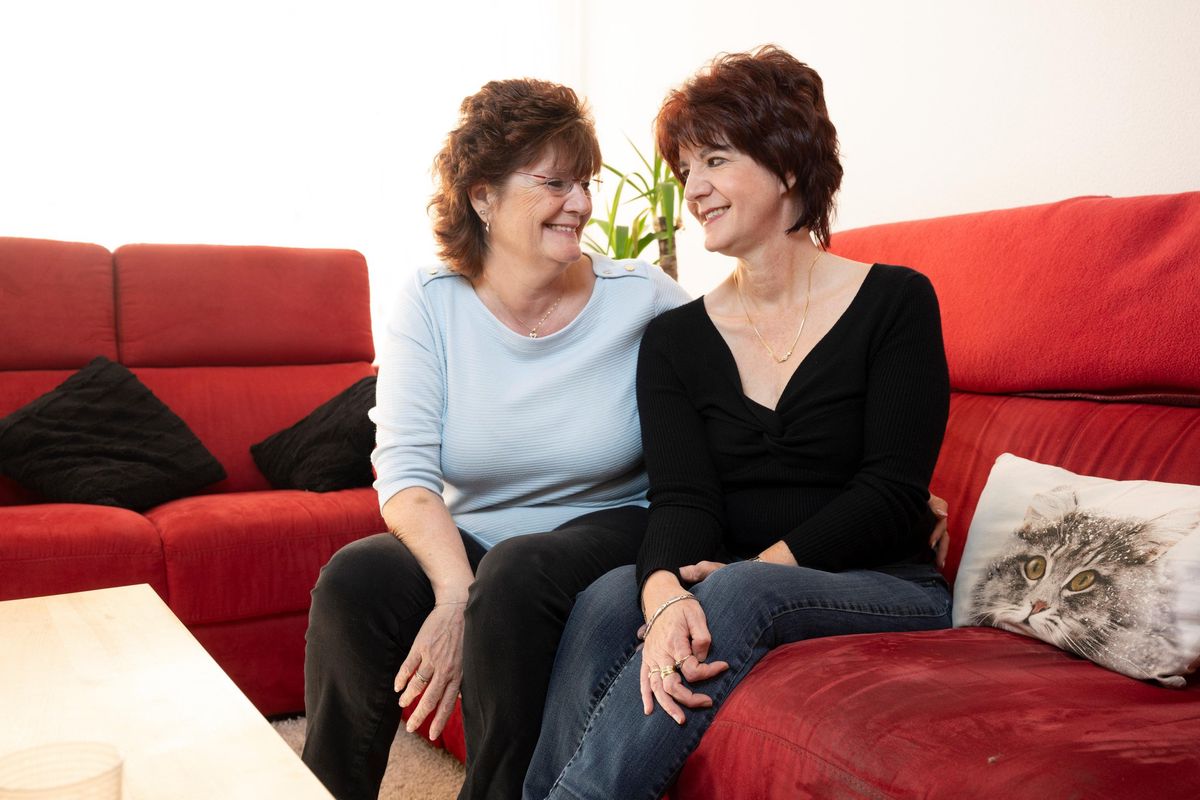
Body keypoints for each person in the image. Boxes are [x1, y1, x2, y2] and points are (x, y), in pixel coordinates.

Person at [524, 45, 954, 800]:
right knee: (606, 601)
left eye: (715, 160)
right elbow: (684, 498)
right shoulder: (676, 338)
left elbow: (893, 490)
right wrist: (661, 594)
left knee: (738, 592)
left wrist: (754, 570)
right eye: (686, 169)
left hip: (885, 583)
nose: (693, 189)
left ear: (788, 166)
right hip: (729, 575)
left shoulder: (897, 302)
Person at [300, 78, 691, 800]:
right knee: (356, 580)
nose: (579, 203)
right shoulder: (430, 299)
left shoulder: (644, 294)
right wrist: (453, 591)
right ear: (482, 196)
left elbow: (750, 385)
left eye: (585, 182)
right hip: (481, 534)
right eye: (554, 182)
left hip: (612, 526)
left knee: (515, 572)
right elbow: (405, 473)